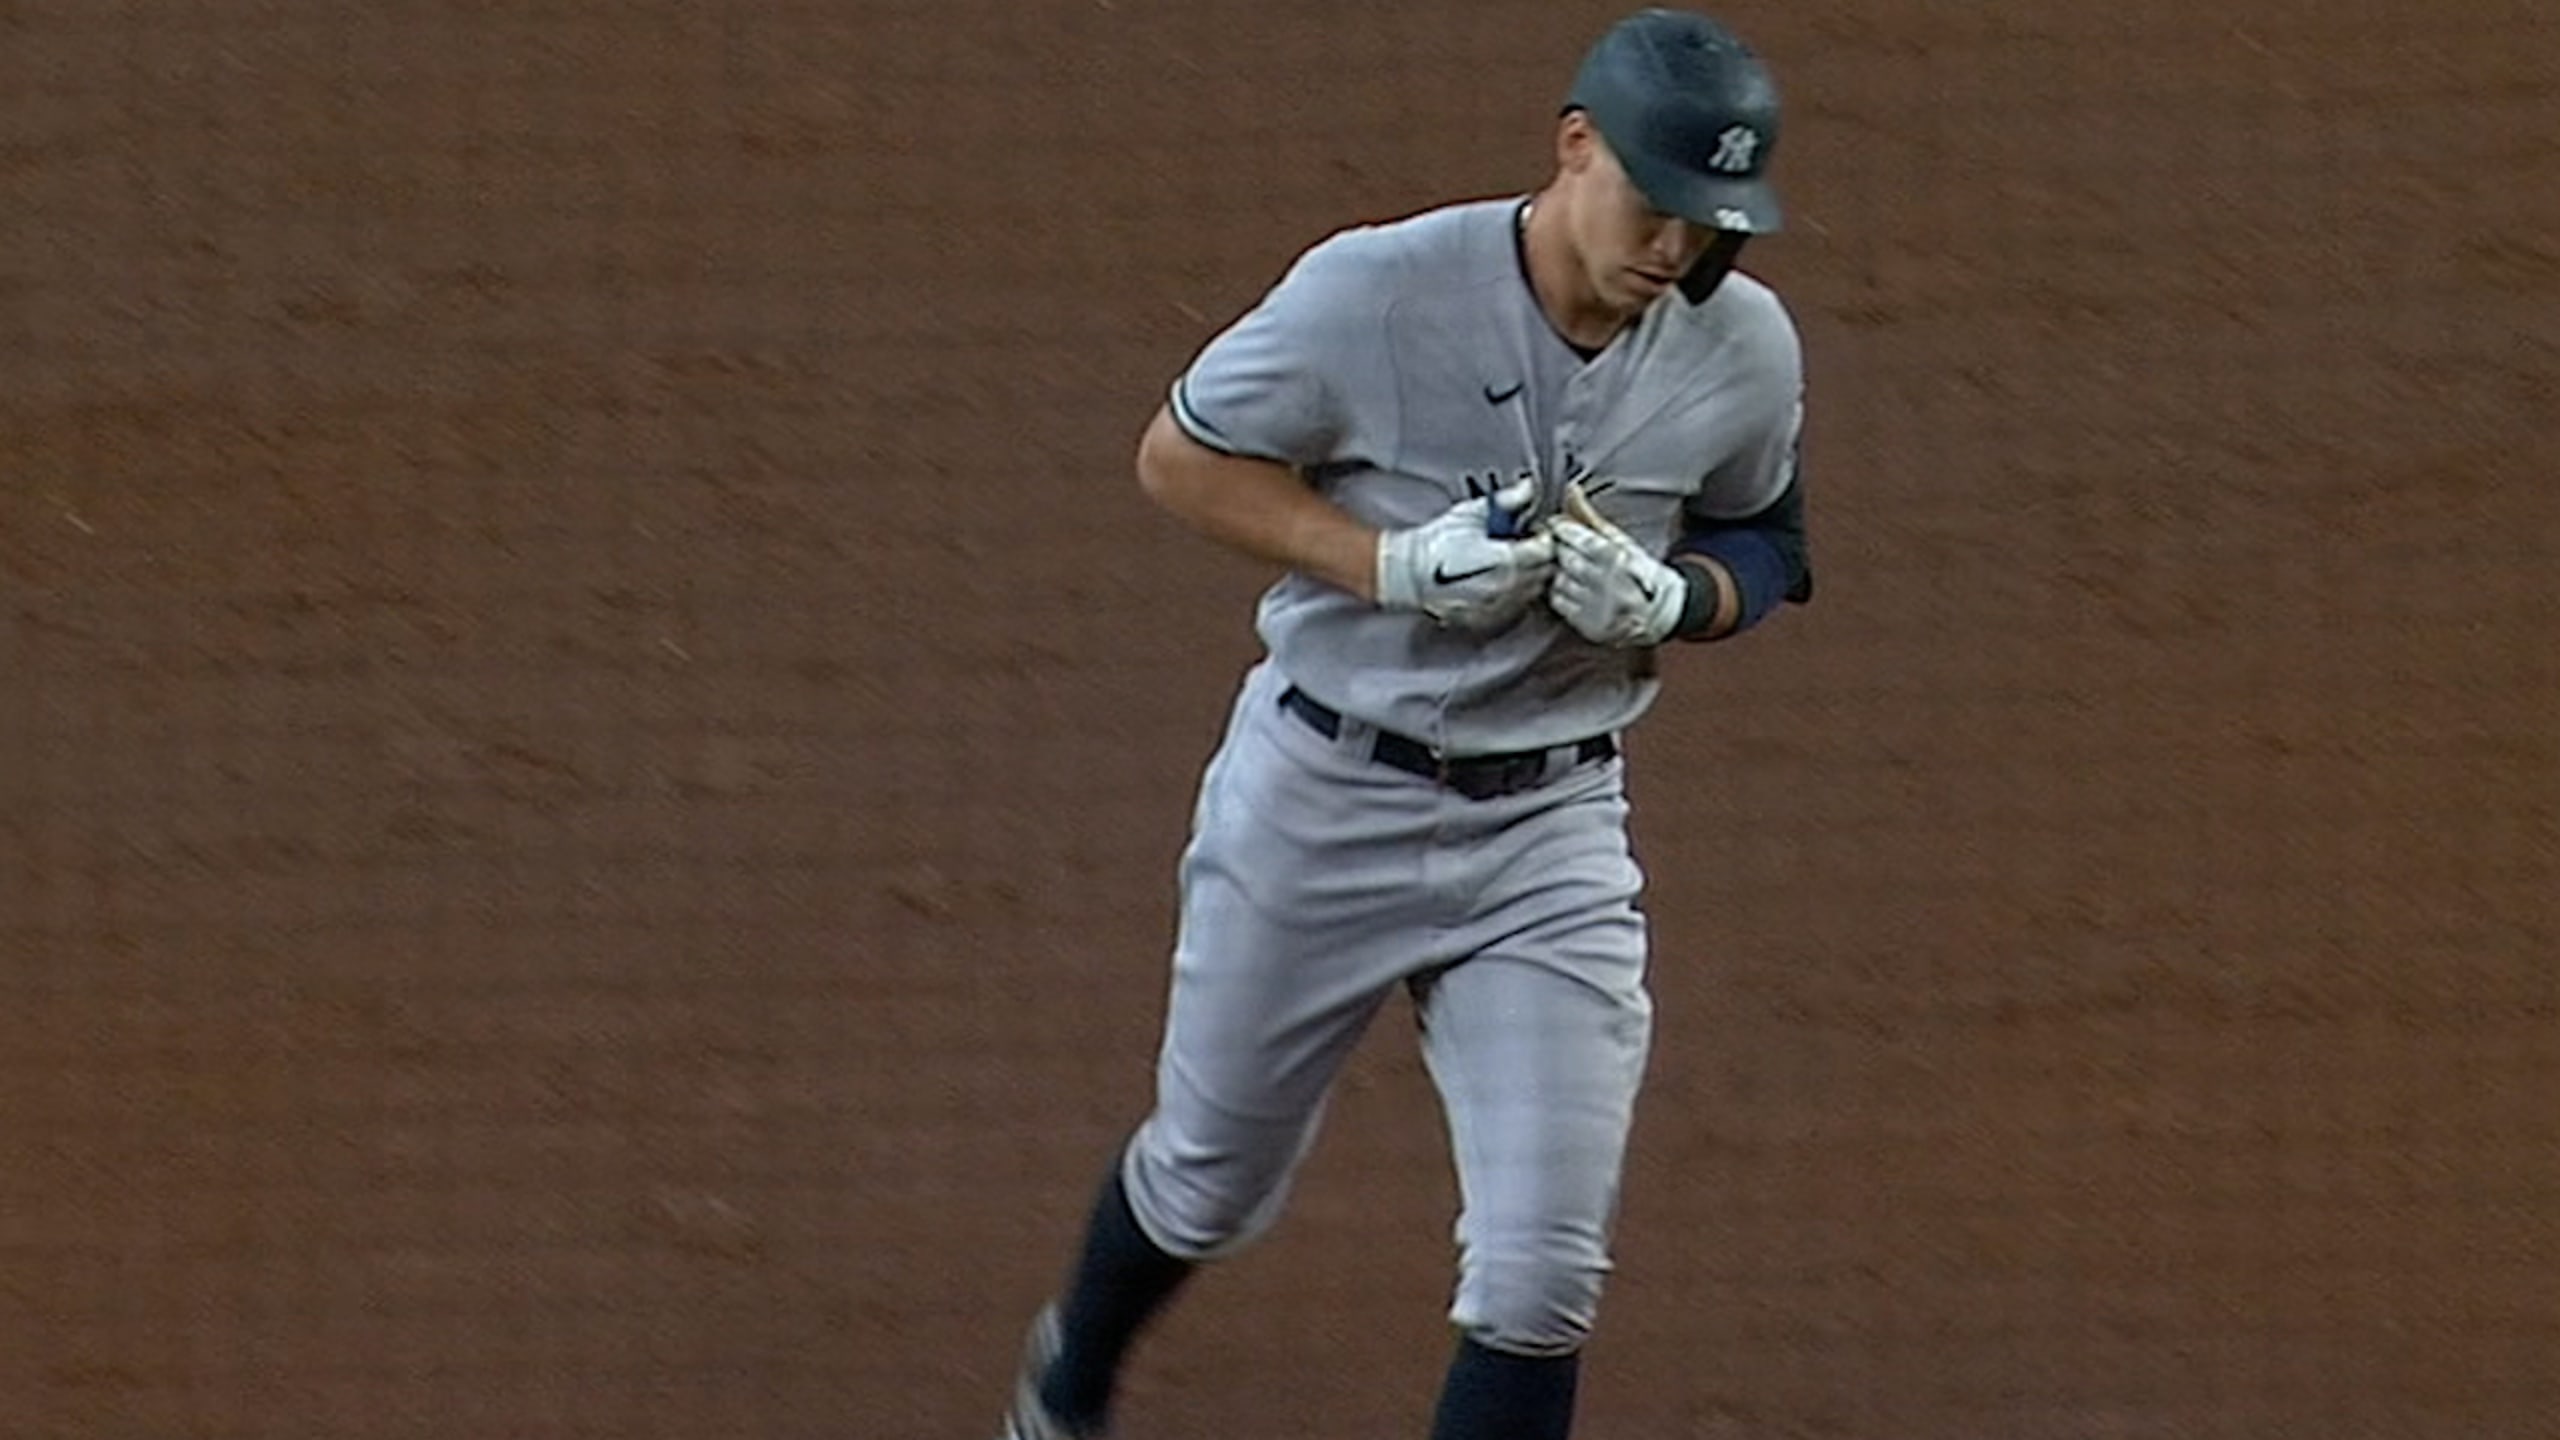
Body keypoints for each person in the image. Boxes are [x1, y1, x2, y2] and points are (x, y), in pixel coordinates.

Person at [993, 9, 1813, 1438]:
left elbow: (1771, 542)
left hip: (1549, 835)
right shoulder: (1376, 289)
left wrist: (1673, 601)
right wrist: (1384, 565)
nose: (1677, 251)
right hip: (1324, 797)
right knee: (1206, 1181)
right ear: (1574, 148)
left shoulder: (1740, 347)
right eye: (1655, 203)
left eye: (1710, 222)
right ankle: (1069, 1385)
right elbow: (1181, 458)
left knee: (1542, 1277)